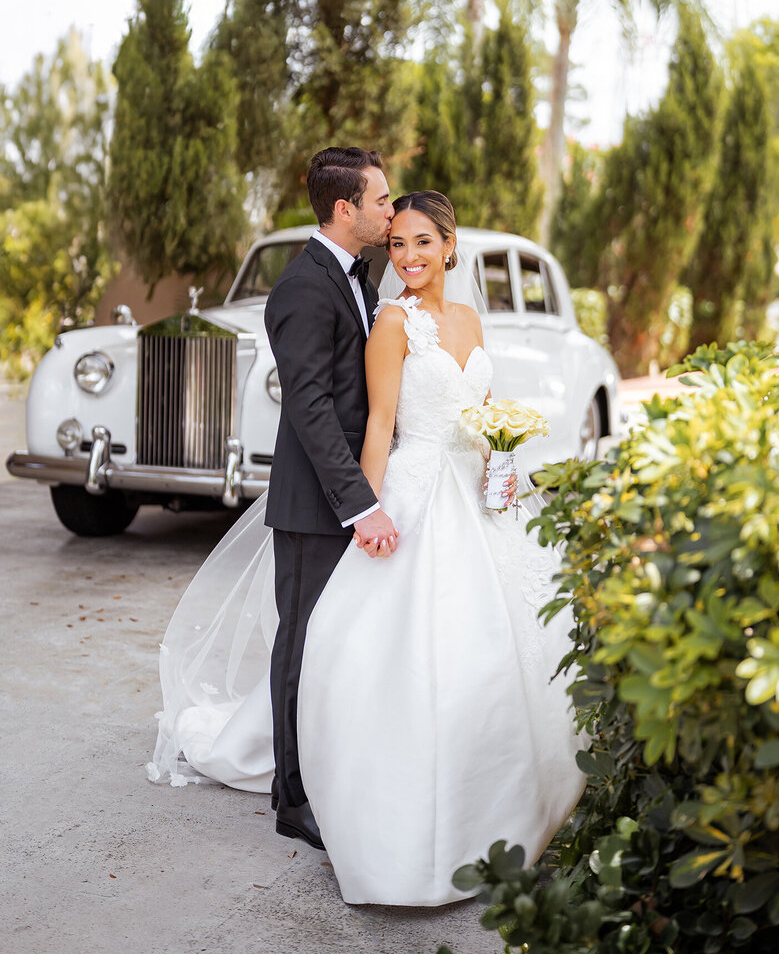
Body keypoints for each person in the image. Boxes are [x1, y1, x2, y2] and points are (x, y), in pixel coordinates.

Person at [147, 184, 584, 908]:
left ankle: (507, 809)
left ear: (449, 245)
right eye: (397, 242)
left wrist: (500, 464)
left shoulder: (472, 320)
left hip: (477, 494)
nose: (408, 256)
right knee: (395, 653)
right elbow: (380, 426)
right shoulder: (393, 325)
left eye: (421, 241)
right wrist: (368, 513)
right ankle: (381, 814)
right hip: (413, 490)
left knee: (502, 650)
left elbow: (478, 417)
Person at [263, 146, 399, 850]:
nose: (390, 209)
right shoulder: (302, 288)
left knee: (341, 645)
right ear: (345, 208)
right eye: (381, 200)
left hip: (354, 490)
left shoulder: (357, 278)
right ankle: (292, 796)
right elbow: (311, 408)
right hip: (317, 503)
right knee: (302, 644)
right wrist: (361, 503)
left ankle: (334, 767)